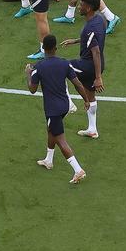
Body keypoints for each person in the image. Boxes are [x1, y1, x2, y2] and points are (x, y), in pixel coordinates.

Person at [26, 34, 88, 184]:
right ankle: (49, 160)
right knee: (51, 131)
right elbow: (78, 84)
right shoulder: (64, 63)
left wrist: (28, 74)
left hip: (52, 109)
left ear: (44, 49)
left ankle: (78, 170)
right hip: (64, 106)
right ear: (55, 48)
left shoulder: (39, 67)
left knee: (60, 139)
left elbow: (32, 89)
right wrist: (86, 100)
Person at [59, 0, 106, 138]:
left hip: (88, 65)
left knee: (61, 67)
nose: (79, 6)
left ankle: (68, 103)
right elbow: (93, 39)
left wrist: (98, 77)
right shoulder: (100, 20)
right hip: (97, 65)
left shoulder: (89, 28)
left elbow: (96, 51)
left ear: (89, 7)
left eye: (81, 4)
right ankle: (92, 129)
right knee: (90, 94)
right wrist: (75, 40)